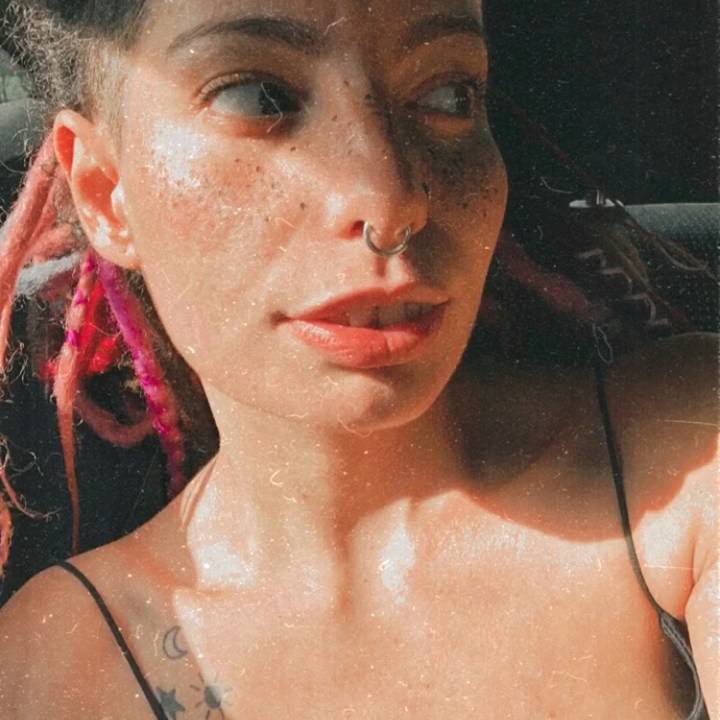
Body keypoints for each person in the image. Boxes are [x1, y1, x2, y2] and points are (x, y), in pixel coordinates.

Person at [0, 1, 717, 718]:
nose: (390, 200)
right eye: (259, 98)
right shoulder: (59, 666)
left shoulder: (691, 457)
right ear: (104, 192)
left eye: (449, 95)